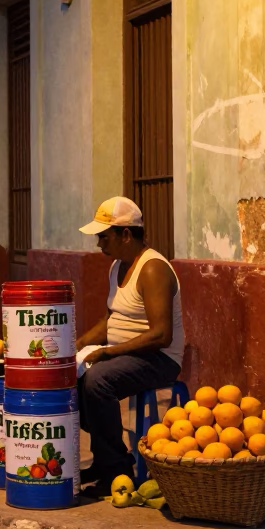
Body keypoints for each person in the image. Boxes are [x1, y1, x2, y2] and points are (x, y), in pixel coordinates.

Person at [75, 196, 185, 494]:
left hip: (158, 359)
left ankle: (116, 470)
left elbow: (161, 335)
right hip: (125, 355)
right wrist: (79, 345)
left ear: (126, 234)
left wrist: (108, 352)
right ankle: (105, 457)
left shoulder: (152, 269)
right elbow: (112, 320)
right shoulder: (117, 267)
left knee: (98, 380)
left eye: (104, 236)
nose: (99, 244)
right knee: (70, 376)